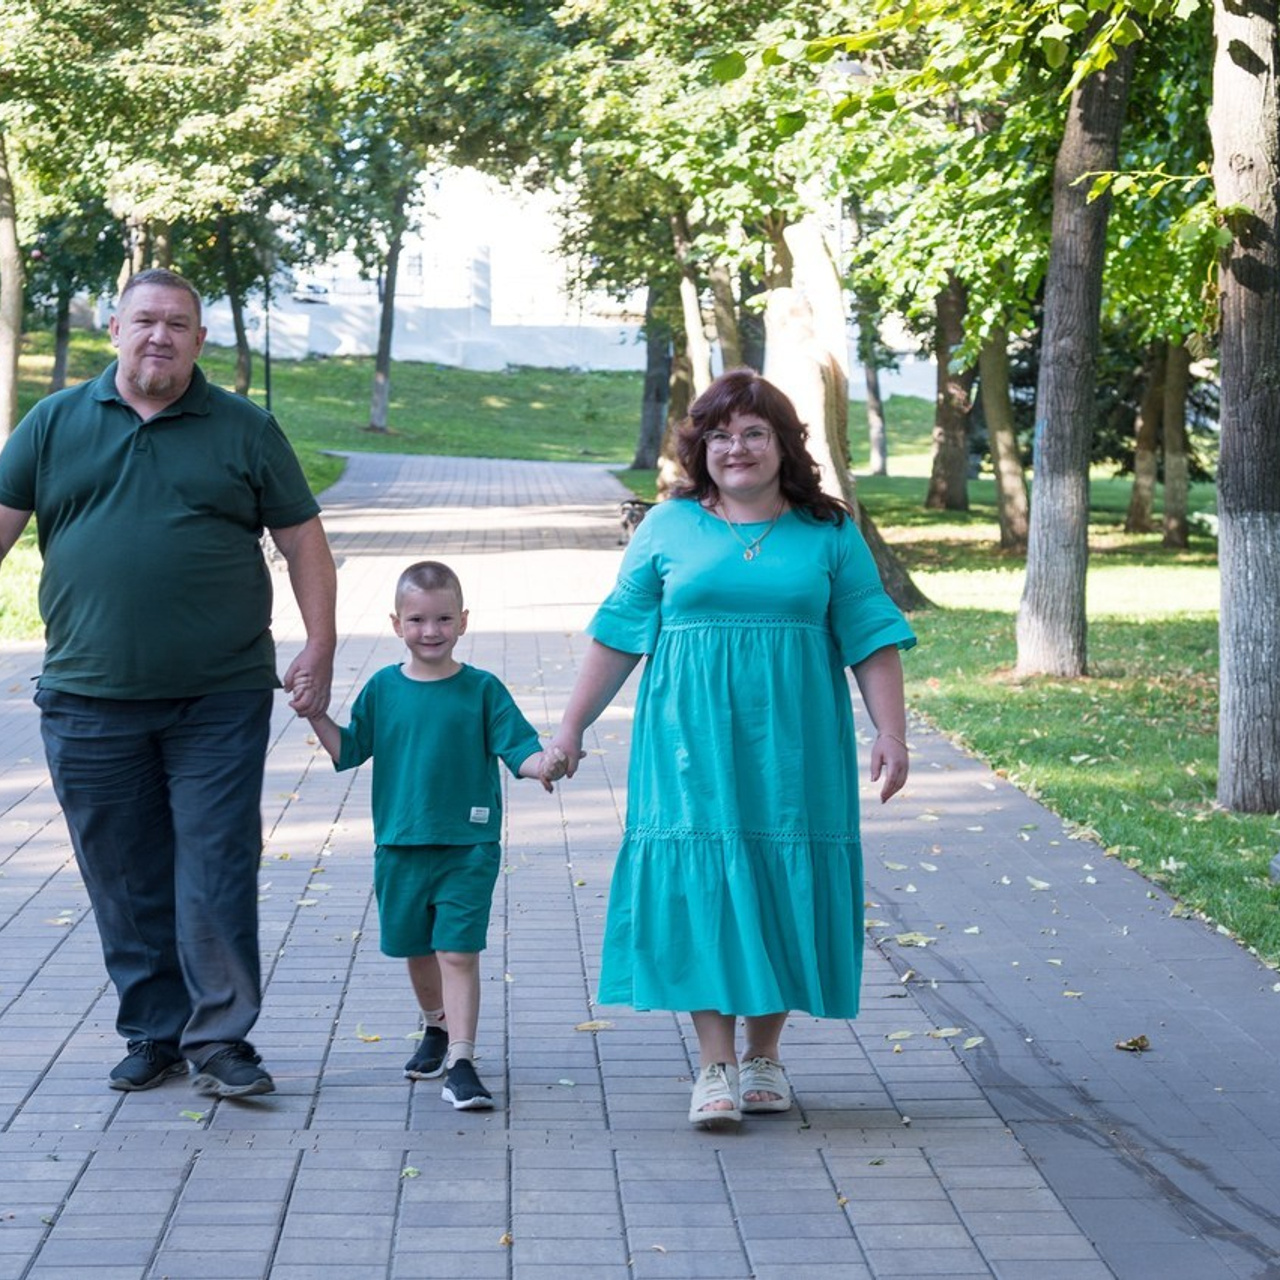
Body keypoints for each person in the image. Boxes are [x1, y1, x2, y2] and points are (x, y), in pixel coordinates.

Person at [0, 268, 337, 1099]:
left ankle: (220, 1039)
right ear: (114, 329)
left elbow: (302, 541)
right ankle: (154, 1029)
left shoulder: (245, 429)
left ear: (199, 340)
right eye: (145, 321)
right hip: (87, 695)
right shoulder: (52, 424)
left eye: (178, 324)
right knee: (123, 870)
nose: (160, 336)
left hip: (217, 696)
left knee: (216, 864)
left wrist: (321, 642)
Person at [550, 368, 916, 1128]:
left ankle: (764, 1059)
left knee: (782, 877)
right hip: (688, 745)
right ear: (699, 448)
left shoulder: (829, 532)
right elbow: (618, 634)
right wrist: (571, 728)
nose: (736, 448)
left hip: (796, 745)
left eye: (753, 433)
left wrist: (891, 732)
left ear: (783, 445)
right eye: (719, 434)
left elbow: (872, 634)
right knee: (705, 885)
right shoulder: (667, 526)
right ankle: (714, 1064)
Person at [305, 560, 568, 1110]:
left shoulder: (482, 690)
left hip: (467, 846)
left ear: (463, 621)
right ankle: (435, 1027)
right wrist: (314, 715)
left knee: (456, 950)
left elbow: (517, 748)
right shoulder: (382, 688)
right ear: (396, 623)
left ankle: (463, 1062)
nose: (431, 631)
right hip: (400, 845)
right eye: (418, 619)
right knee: (416, 948)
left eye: (444, 618)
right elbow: (349, 750)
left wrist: (544, 763)